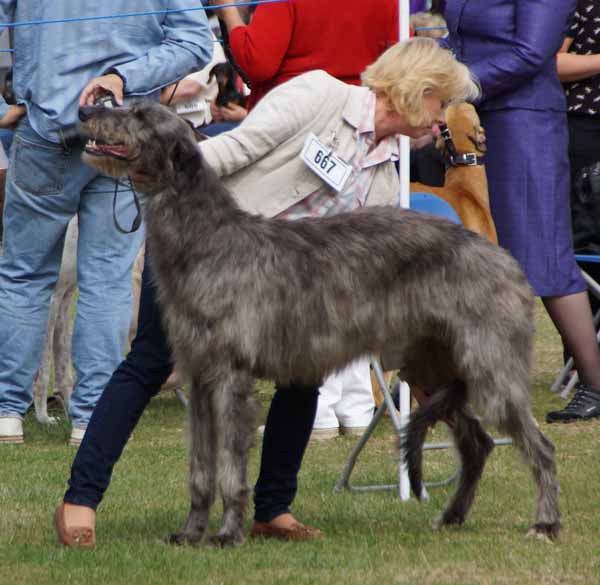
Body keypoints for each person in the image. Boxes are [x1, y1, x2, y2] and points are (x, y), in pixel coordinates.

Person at [54, 37, 479, 547]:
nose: (441, 119)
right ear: (417, 90)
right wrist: (161, 168)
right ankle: (80, 499)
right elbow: (236, 149)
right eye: (441, 103)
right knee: (148, 362)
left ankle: (272, 509)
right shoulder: (321, 95)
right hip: (205, 252)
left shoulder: (385, 175)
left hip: (286, 288)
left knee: (304, 377)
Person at [0, 2, 213, 446]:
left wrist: (114, 77)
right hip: (92, 130)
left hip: (74, 128)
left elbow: (194, 42)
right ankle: (87, 416)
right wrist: (122, 77)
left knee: (32, 275)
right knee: (103, 281)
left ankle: (13, 413)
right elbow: (195, 41)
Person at [212, 0, 399, 438]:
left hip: (302, 124)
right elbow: (390, 56)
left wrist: (228, 13)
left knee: (302, 278)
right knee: (347, 272)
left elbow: (257, 60)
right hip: (364, 125)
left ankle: (318, 408)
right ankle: (351, 403)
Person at [441, 0, 600, 423]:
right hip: (476, 115)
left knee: (545, 252)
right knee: (481, 253)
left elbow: (533, 51)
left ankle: (595, 383)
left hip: (524, 120)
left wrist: (459, 84)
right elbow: (456, 38)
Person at [557, 0, 600, 342]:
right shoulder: (580, 3)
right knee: (583, 240)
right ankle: (581, 354)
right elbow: (552, 62)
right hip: (585, 126)